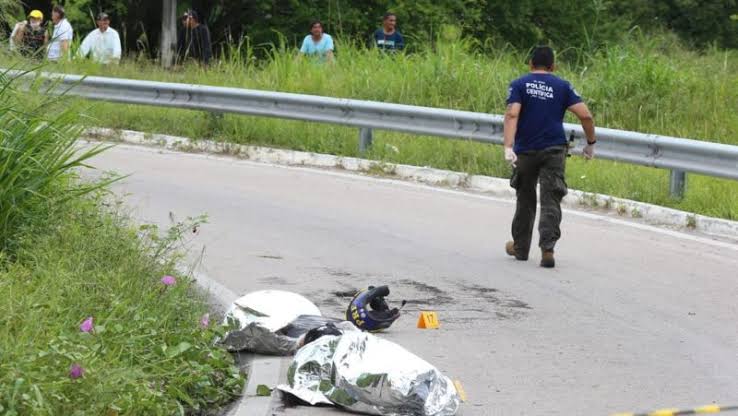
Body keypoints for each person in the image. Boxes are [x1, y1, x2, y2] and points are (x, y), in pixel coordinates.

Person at [503, 46, 596, 268]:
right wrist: (590, 143)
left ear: (530, 64)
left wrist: (508, 146)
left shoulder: (519, 84)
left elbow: (512, 113)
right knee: (551, 199)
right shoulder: (563, 86)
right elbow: (585, 115)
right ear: (553, 66)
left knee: (525, 199)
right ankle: (547, 250)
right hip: (554, 150)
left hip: (525, 150)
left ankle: (520, 248)